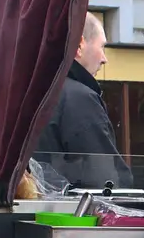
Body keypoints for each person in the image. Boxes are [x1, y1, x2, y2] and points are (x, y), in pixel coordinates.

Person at [35, 12, 133, 190]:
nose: (104, 59)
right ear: (79, 46)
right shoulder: (79, 98)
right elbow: (104, 179)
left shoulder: (37, 90)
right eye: (101, 47)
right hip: (75, 214)